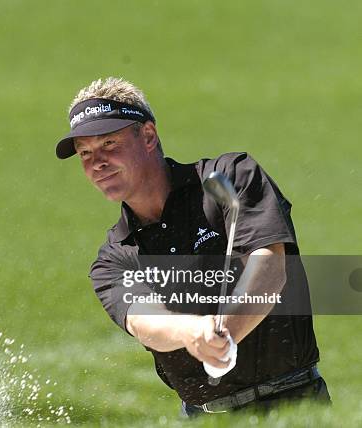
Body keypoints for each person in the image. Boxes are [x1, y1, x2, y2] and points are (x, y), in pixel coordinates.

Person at [55, 77, 331, 416]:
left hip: (295, 402)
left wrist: (223, 336)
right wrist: (191, 332)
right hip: (207, 416)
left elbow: (270, 269)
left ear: (148, 136)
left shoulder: (230, 176)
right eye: (85, 153)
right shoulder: (114, 258)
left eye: (109, 143)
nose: (97, 162)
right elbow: (144, 321)